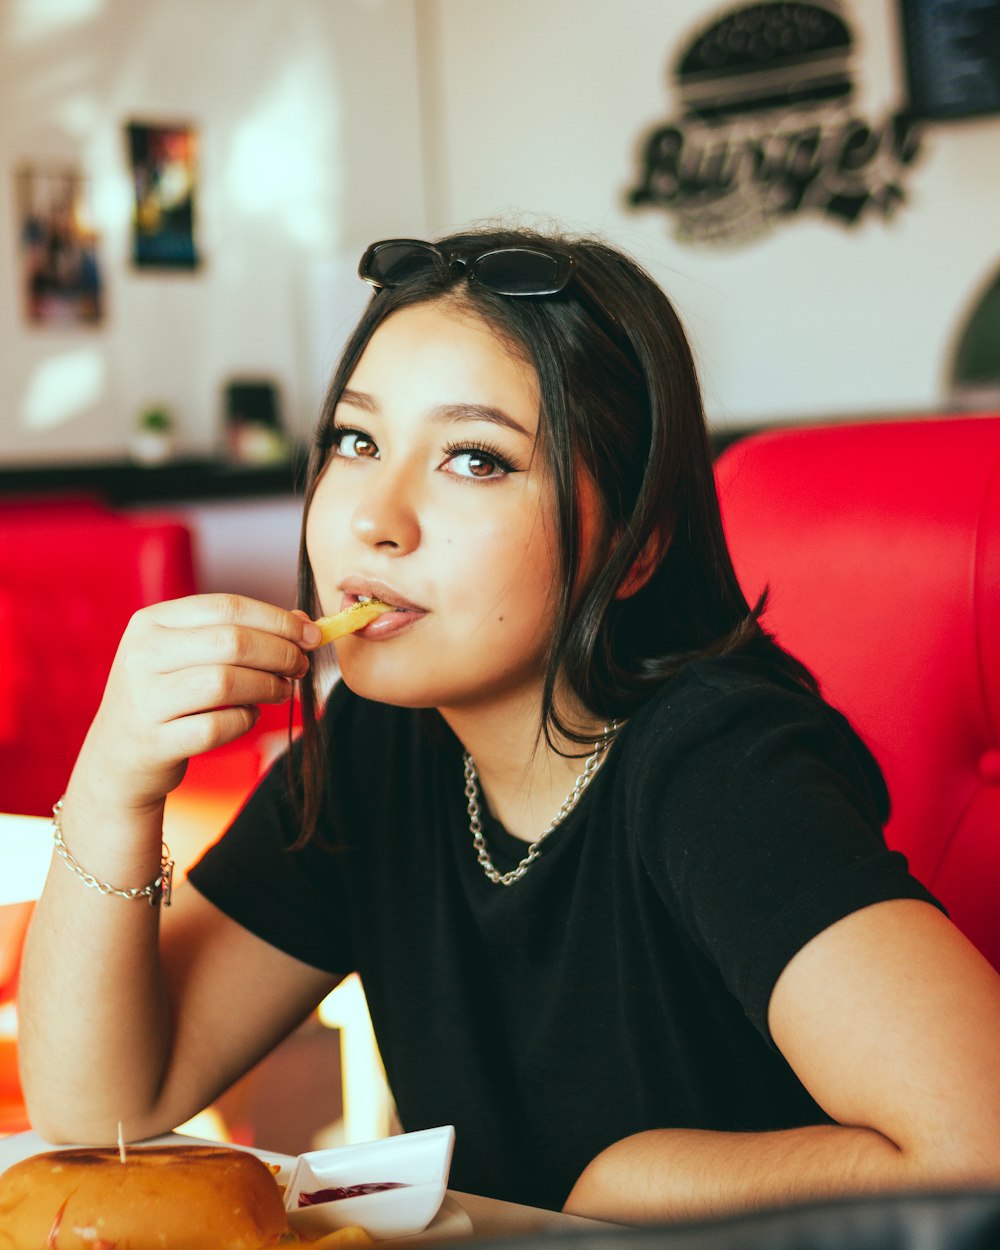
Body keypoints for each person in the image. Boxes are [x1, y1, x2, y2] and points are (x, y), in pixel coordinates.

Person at [18, 227, 1000, 1223]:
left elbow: (979, 1150)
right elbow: (102, 1108)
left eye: (474, 459)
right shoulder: (383, 741)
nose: (374, 517)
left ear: (631, 546)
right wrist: (111, 781)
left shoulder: (716, 762)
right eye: (356, 441)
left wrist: (628, 1187)